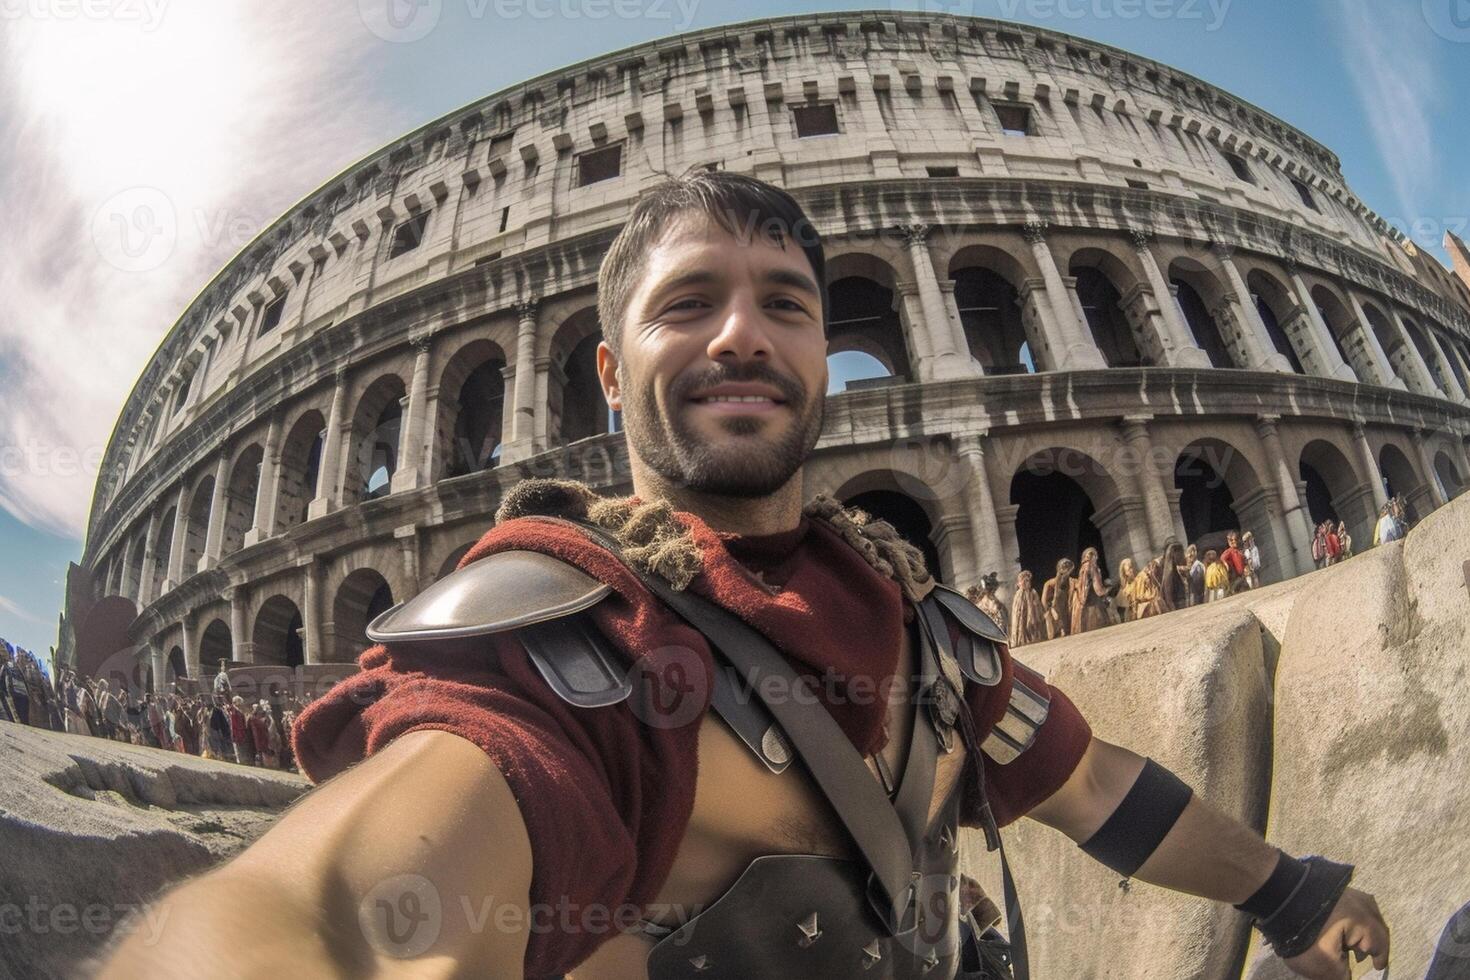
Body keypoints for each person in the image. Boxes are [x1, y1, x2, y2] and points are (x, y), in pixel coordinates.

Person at [103, 169, 1387, 979]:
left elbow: (1099, 783)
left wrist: (1288, 891)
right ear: (609, 372)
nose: (740, 337)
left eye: (784, 303)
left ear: (830, 351)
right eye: (686, 305)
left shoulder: (925, 628)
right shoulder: (563, 636)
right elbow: (331, 904)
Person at [1069, 547, 1110, 635]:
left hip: (1081, 603)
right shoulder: (1090, 566)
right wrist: (1107, 590)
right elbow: (1098, 590)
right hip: (1092, 604)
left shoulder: (1082, 568)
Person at [1009, 569, 1047, 648]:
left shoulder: (1033, 592)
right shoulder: (1018, 594)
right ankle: (1021, 640)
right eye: (1024, 581)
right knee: (1021, 623)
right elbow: (1017, 608)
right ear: (1020, 582)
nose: (1027, 583)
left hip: (1032, 613)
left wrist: (1035, 610)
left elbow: (1037, 604)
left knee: (1032, 624)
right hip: (1022, 613)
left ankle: (1034, 637)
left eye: (1028, 581)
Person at [965, 572, 1009, 637]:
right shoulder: (983, 601)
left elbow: (1000, 612)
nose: (993, 591)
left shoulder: (991, 600)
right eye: (992, 590)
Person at [1041, 557, 1075, 640]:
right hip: (1055, 605)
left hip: (1067, 604)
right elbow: (1044, 599)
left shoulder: (1071, 581)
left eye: (1068, 568)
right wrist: (1047, 607)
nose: (1066, 570)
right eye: (1064, 568)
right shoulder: (1050, 583)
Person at [1114, 557, 1136, 624]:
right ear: (1125, 573)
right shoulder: (1124, 587)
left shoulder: (1139, 578)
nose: (1132, 570)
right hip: (1132, 614)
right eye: (1129, 569)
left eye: (1132, 567)